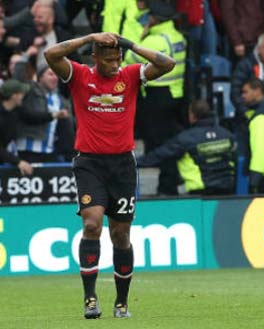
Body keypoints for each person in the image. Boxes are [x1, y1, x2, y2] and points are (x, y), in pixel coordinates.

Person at [44, 32, 176, 318]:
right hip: (89, 162)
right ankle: (90, 299)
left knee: (121, 234)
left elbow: (168, 64)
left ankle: (121, 303)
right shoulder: (79, 75)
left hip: (123, 166)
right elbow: (51, 55)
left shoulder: (129, 75)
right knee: (92, 226)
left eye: (117, 59)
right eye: (108, 60)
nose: (114, 64)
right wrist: (90, 36)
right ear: (95, 58)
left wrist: (129, 45)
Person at [124, 0, 187, 196]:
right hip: (175, 94)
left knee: (160, 145)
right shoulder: (176, 36)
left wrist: (139, 36)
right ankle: (170, 181)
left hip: (156, 98)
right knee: (167, 142)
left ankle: (166, 186)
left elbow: (128, 61)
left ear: (153, 18)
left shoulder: (154, 41)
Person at [138, 100, 237, 195]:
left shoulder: (186, 138)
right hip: (227, 189)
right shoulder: (227, 135)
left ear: (192, 115)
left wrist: (133, 163)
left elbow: (159, 155)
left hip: (200, 192)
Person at [0, 79, 33, 175]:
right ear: (14, 96)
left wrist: (53, 115)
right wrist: (17, 161)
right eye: (21, 93)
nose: (23, 96)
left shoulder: (16, 111)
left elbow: (34, 117)